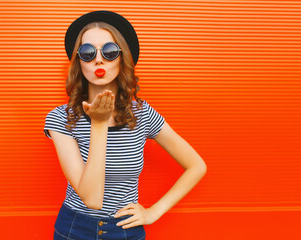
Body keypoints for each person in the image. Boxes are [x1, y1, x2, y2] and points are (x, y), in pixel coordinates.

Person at [44, 10, 207, 240]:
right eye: (88, 52)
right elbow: (92, 199)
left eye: (109, 51)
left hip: (125, 231)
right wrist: (99, 125)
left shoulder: (142, 115)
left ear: (122, 59)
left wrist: (153, 212)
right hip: (75, 229)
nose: (98, 59)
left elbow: (197, 166)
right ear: (79, 62)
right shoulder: (61, 118)